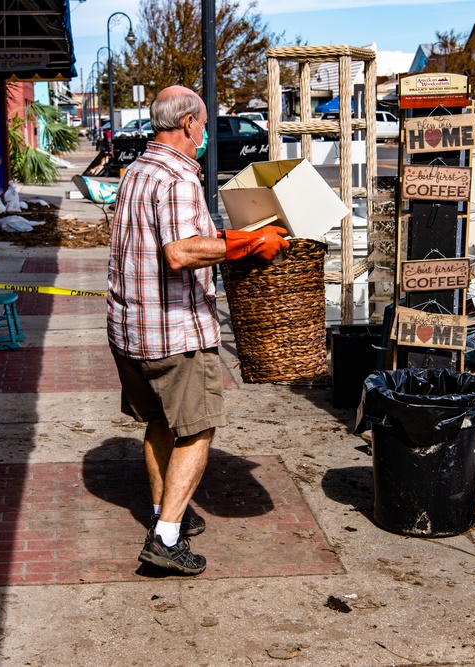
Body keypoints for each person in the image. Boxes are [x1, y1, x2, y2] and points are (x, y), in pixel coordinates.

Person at [106, 85, 289, 575]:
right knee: (197, 428)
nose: (206, 132)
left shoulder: (138, 170)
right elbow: (181, 252)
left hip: (130, 328)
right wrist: (247, 243)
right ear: (188, 123)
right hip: (174, 331)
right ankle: (166, 538)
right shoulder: (179, 178)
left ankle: (167, 512)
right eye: (205, 123)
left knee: (161, 423)